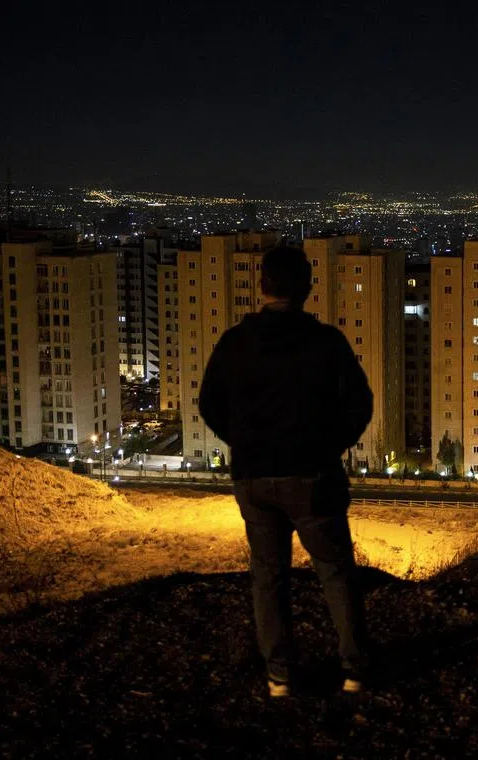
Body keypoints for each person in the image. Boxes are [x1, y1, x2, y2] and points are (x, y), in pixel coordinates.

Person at [199, 245, 374, 699]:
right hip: (312, 475)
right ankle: (355, 672)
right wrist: (328, 445)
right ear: (307, 288)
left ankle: (280, 677)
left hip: (254, 477)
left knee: (268, 576)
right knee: (335, 571)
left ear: (262, 286)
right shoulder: (326, 342)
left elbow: (209, 404)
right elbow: (359, 403)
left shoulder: (236, 342)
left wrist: (245, 441)